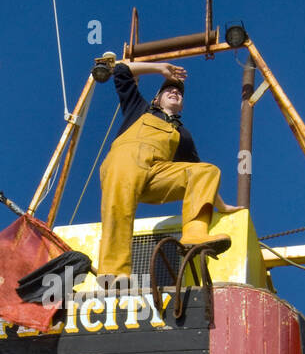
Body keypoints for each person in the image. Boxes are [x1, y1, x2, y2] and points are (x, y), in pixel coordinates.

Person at [97, 57, 235, 282]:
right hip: (125, 163)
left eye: (179, 93)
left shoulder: (183, 135)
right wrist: (159, 68)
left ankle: (194, 234)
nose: (175, 92)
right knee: (118, 211)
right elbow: (121, 70)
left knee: (207, 171)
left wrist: (221, 205)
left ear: (181, 105)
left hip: (156, 175)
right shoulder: (138, 109)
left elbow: (199, 175)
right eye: (168, 89)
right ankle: (114, 274)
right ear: (156, 98)